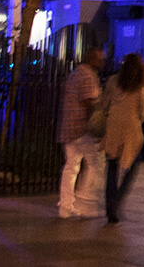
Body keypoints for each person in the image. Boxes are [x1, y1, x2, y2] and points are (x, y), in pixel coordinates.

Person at [56, 45, 107, 218]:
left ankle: (66, 205)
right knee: (96, 164)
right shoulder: (87, 76)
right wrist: (99, 121)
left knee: (71, 166)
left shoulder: (75, 74)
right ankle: (85, 201)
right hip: (82, 129)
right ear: (92, 59)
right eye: (100, 58)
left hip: (68, 128)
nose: (103, 61)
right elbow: (89, 102)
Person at [101, 53, 144, 224]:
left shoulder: (113, 81)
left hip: (113, 127)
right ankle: (117, 202)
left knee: (112, 168)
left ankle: (109, 206)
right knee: (133, 165)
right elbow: (143, 110)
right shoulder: (140, 85)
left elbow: (104, 102)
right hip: (131, 129)